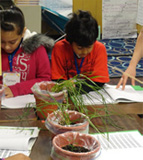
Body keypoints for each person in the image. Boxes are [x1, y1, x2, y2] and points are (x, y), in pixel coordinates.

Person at [0, 5, 54, 98]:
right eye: (1, 41)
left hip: (29, 102)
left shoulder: (37, 48)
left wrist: (16, 89)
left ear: (23, 32)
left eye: (12, 42)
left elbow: (45, 80)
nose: (7, 47)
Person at [51, 10, 109, 92]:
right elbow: (57, 79)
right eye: (80, 48)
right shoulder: (60, 48)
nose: (85, 52)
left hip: (88, 94)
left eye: (89, 47)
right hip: (65, 93)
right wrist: (66, 86)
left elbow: (99, 82)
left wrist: (76, 87)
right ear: (70, 41)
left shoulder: (99, 48)